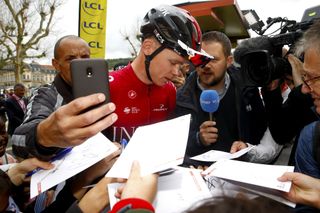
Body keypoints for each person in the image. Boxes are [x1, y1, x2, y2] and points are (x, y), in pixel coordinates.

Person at [173, 31, 282, 167]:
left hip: (239, 173)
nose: (206, 65)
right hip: (200, 175)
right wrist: (198, 139)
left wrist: (246, 147)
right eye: (201, 58)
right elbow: (173, 145)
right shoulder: (181, 98)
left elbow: (260, 132)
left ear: (229, 61)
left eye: (213, 59)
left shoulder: (248, 90)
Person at [106, 4, 207, 142]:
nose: (177, 73)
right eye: (173, 63)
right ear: (148, 47)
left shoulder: (170, 90)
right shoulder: (106, 87)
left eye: (181, 65)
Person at [11, 35, 118, 160]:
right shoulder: (45, 94)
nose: (79, 63)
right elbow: (17, 140)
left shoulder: (104, 89)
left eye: (84, 57)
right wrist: (44, 134)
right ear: (56, 64)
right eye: (70, 59)